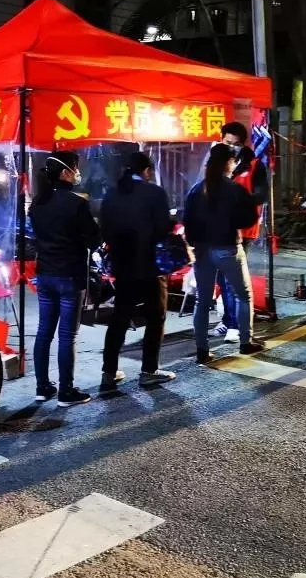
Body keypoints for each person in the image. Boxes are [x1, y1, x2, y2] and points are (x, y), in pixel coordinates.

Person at [99, 151, 179, 389]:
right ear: (146, 171)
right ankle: (149, 370)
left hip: (123, 267)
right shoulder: (154, 192)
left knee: (120, 318)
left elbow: (105, 230)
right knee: (156, 317)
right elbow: (162, 229)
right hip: (150, 266)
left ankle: (109, 372)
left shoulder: (112, 194)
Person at [29, 151, 100, 406]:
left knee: (44, 332)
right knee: (67, 335)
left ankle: (42, 387)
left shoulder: (37, 204)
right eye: (75, 169)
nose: (77, 173)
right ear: (65, 173)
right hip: (70, 276)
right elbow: (94, 239)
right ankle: (66, 391)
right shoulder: (75, 203)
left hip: (45, 275)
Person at [184, 143, 267, 365]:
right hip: (228, 248)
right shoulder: (234, 189)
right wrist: (232, 222)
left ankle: (202, 350)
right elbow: (249, 218)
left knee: (202, 301)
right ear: (229, 163)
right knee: (243, 295)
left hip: (202, 251)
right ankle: (246, 342)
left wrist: (195, 244)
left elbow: (188, 222)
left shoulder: (197, 190)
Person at [212, 122, 269, 341]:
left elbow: (261, 195)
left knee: (232, 279)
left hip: (242, 230)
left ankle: (235, 325)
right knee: (222, 278)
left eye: (235, 144)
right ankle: (228, 320)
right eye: (227, 143)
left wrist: (238, 201)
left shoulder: (254, 165)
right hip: (219, 228)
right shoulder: (217, 163)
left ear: (243, 144)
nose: (231, 147)